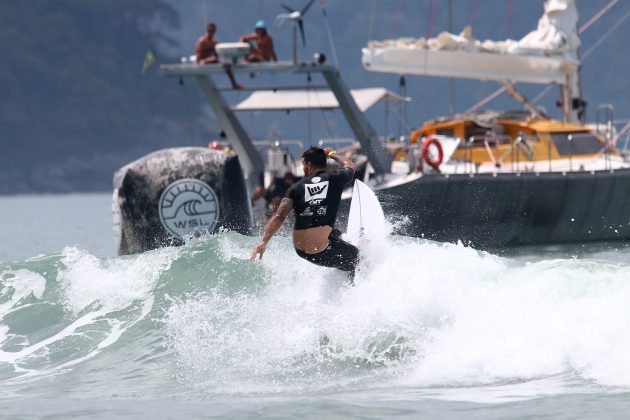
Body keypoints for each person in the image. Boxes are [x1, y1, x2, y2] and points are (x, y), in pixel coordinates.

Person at [251, 147, 358, 282]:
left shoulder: (295, 188)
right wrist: (331, 154)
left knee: (335, 234)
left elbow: (279, 216)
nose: (302, 168)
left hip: (301, 250)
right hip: (319, 251)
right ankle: (351, 291)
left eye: (303, 164)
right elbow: (350, 165)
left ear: (308, 165)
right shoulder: (336, 178)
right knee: (357, 257)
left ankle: (339, 251)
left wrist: (263, 243)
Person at [195, 23, 242, 89]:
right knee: (214, 59)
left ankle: (234, 84)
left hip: (211, 61)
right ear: (207, 30)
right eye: (209, 31)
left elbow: (217, 56)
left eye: (212, 31)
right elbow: (198, 58)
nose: (211, 33)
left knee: (227, 64)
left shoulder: (214, 42)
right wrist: (203, 61)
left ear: (214, 32)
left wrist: (221, 61)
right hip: (202, 61)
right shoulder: (201, 41)